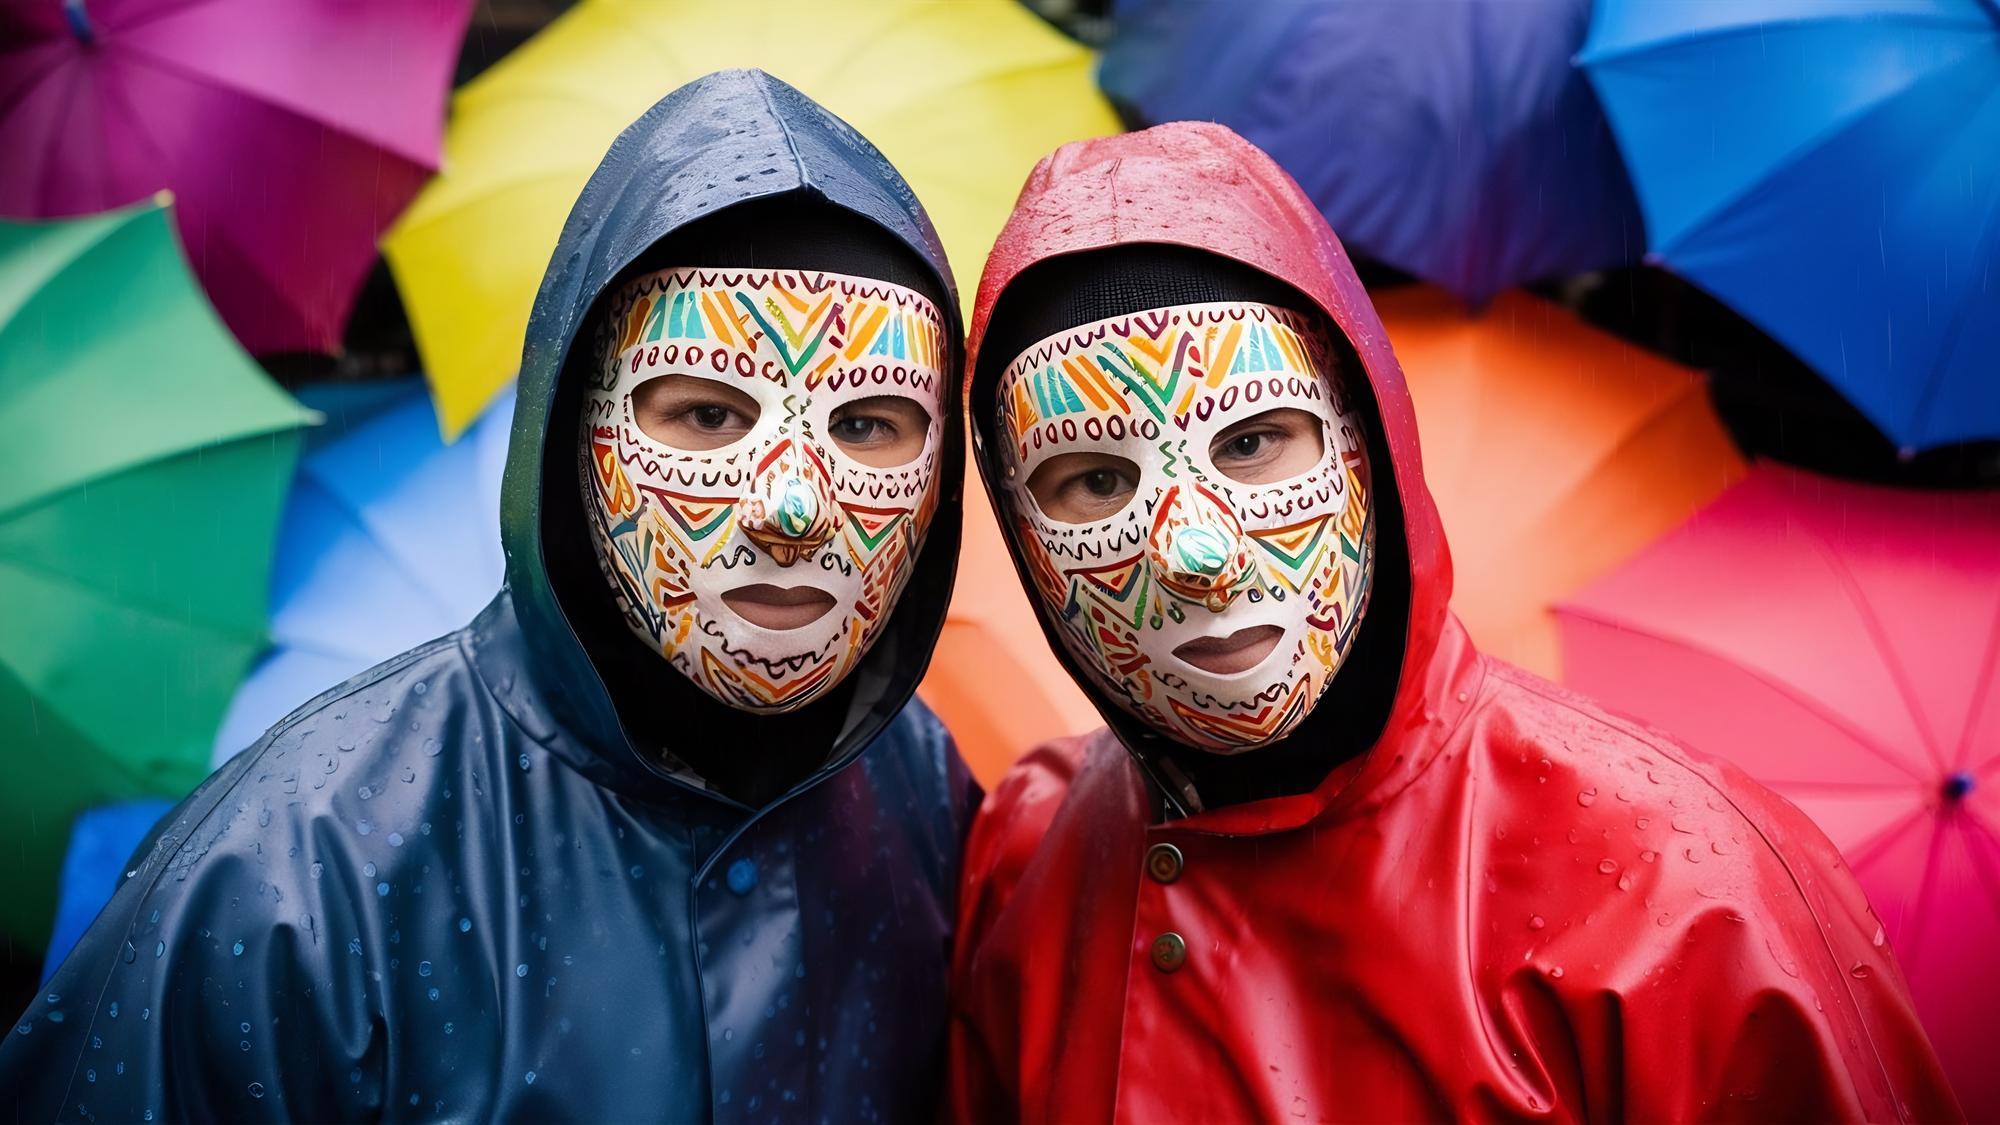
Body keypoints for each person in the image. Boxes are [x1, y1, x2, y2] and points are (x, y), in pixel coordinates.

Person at [4, 70, 978, 1122]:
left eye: (871, 424)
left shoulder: (915, 787)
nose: (793, 505)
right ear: (574, 430)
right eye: (704, 414)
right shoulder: (291, 875)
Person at [944, 122, 1960, 1123]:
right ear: (1020, 533)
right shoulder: (1030, 853)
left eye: (1252, 440)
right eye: (1088, 480)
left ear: (1366, 437)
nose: (1192, 553)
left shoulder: (1690, 896)